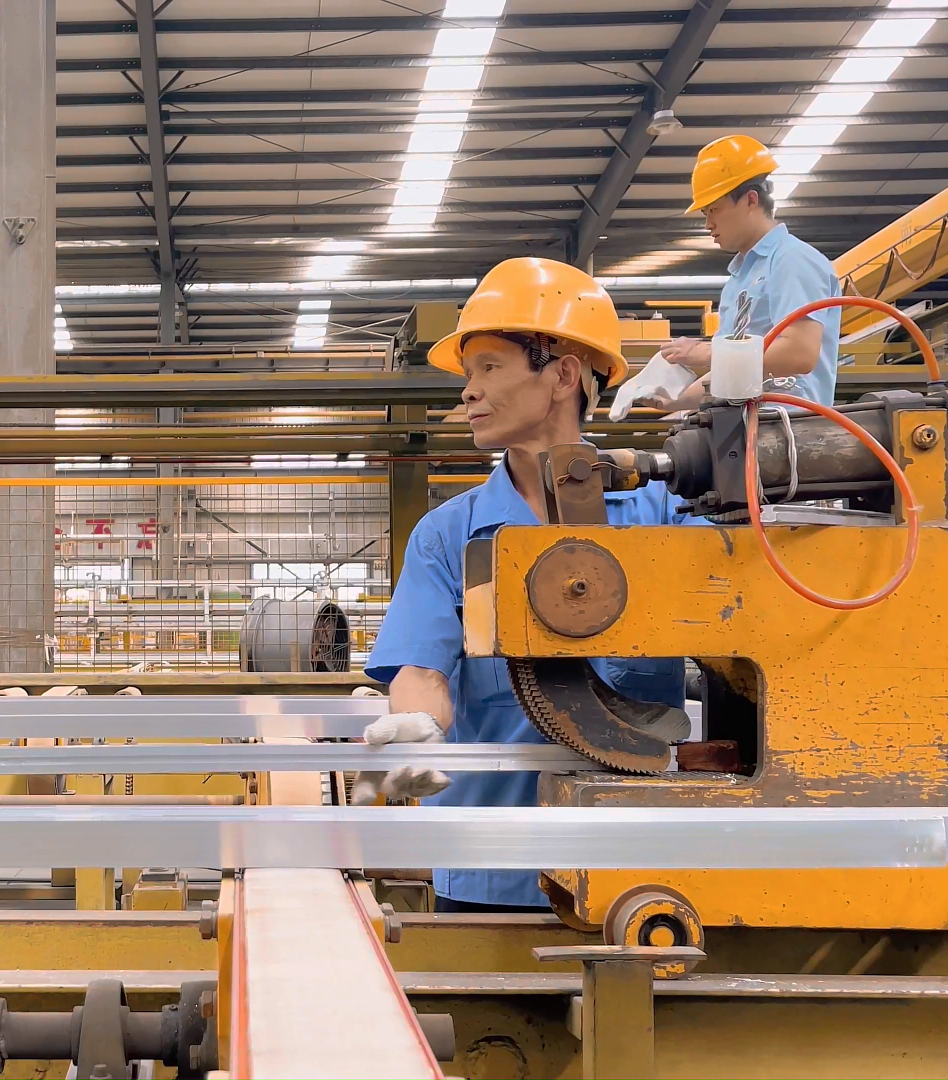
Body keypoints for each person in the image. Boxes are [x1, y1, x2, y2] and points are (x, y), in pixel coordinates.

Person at [357, 258, 691, 913]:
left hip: (637, 876)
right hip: (493, 866)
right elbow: (423, 667)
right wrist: (418, 723)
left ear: (562, 373)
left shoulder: (665, 518)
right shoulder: (448, 535)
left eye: (489, 367)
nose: (469, 392)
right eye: (468, 373)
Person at [646, 134, 842, 411]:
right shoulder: (740, 277)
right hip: (750, 429)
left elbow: (799, 353)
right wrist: (672, 400)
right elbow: (738, 369)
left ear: (751, 200)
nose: (708, 224)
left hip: (790, 430)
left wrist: (707, 353)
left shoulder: (792, 260)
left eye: (713, 209)